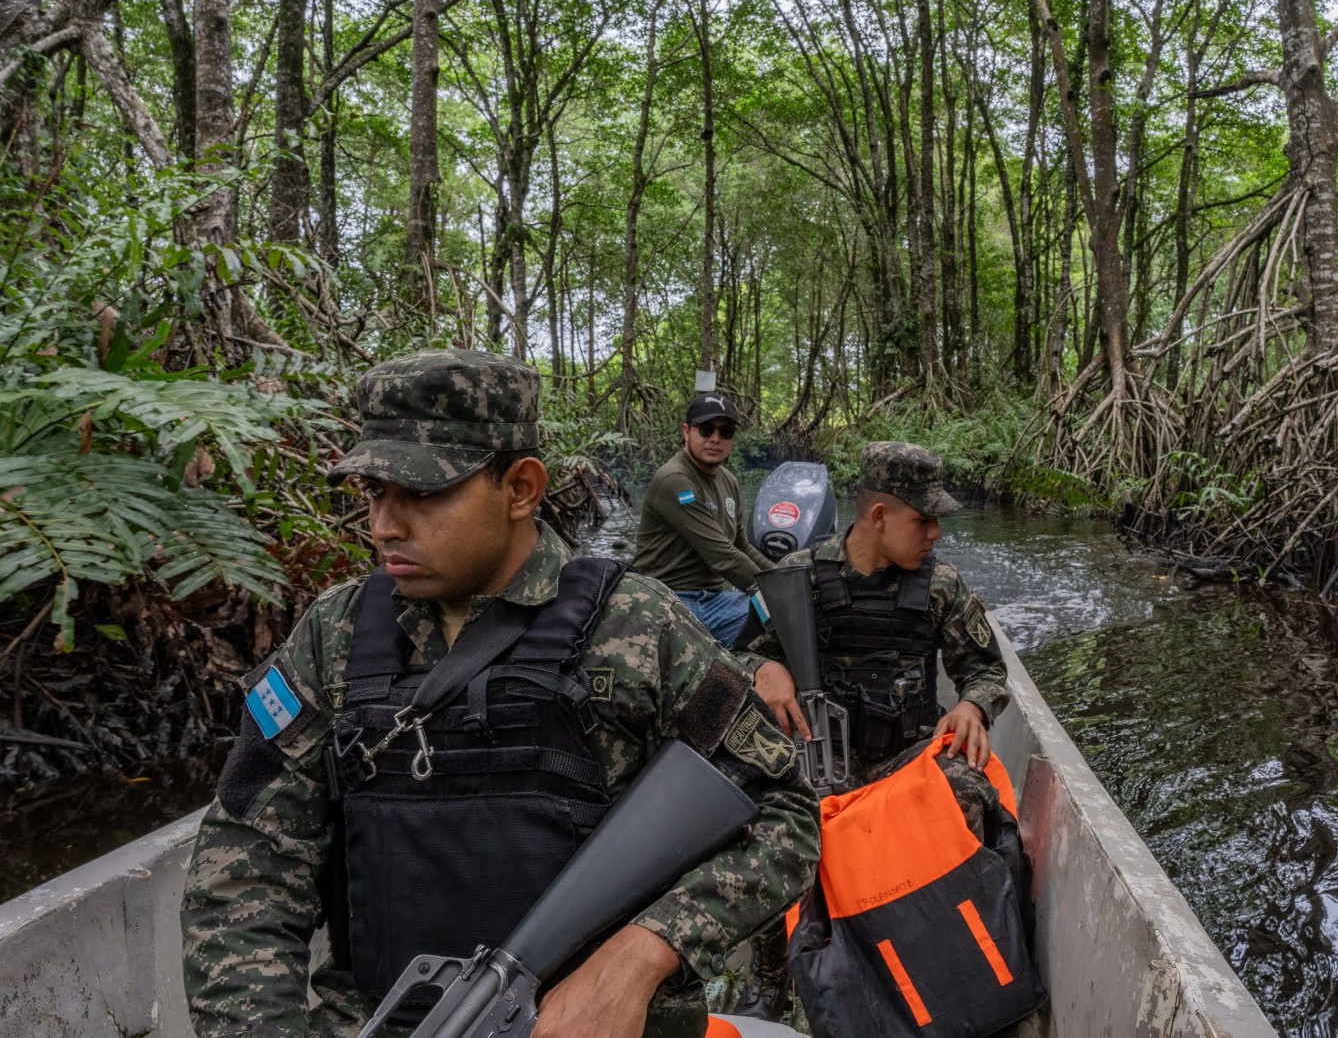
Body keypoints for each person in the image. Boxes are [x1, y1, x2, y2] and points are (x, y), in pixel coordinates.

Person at [181, 349, 820, 1038]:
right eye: (374, 492)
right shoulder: (332, 637)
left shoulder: (634, 626)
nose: (385, 525)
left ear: (520, 487)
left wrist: (641, 954)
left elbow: (782, 810)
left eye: (422, 494)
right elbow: (243, 867)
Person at [731, 440, 1011, 1021]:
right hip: (815, 764)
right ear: (879, 516)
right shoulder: (795, 580)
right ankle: (770, 981)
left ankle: (949, 955)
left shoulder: (941, 587)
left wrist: (973, 708)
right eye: (924, 519)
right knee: (768, 823)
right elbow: (728, 662)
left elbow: (984, 666)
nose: (935, 534)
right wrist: (764, 667)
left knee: (969, 794)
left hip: (902, 761)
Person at [632, 393, 772, 647]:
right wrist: (780, 592)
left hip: (714, 600)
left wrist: (780, 573)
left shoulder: (728, 480)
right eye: (706, 429)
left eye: (725, 431)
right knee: (776, 612)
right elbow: (723, 556)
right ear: (687, 431)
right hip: (668, 599)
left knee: (777, 616)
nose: (715, 438)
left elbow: (741, 545)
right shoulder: (675, 479)